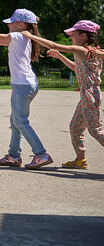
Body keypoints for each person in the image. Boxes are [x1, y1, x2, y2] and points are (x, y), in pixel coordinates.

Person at [0, 9, 53, 169]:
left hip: (23, 85)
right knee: (16, 121)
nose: (8, 25)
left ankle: (41, 154)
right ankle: (14, 156)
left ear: (21, 24)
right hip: (24, 84)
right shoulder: (22, 38)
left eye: (12, 22)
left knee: (20, 122)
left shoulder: (18, 35)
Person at [20, 20, 103, 169]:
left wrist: (31, 36)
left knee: (95, 130)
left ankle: (80, 159)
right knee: (75, 127)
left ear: (83, 36)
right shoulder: (88, 51)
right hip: (87, 94)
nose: (71, 36)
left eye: (73, 34)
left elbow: (52, 44)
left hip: (90, 94)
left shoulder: (83, 50)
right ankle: (80, 159)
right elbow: (76, 68)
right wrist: (60, 57)